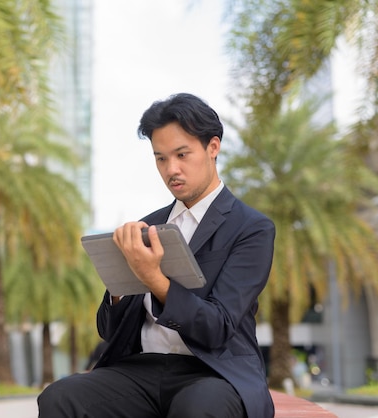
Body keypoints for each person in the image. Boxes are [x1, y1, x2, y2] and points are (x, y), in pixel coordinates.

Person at [37, 93, 275, 418]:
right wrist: (119, 286)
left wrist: (155, 280)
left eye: (181, 154)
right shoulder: (148, 225)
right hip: (141, 369)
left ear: (213, 147)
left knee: (200, 406)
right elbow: (109, 331)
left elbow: (217, 327)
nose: (171, 169)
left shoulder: (251, 228)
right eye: (160, 158)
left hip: (213, 371)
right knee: (60, 397)